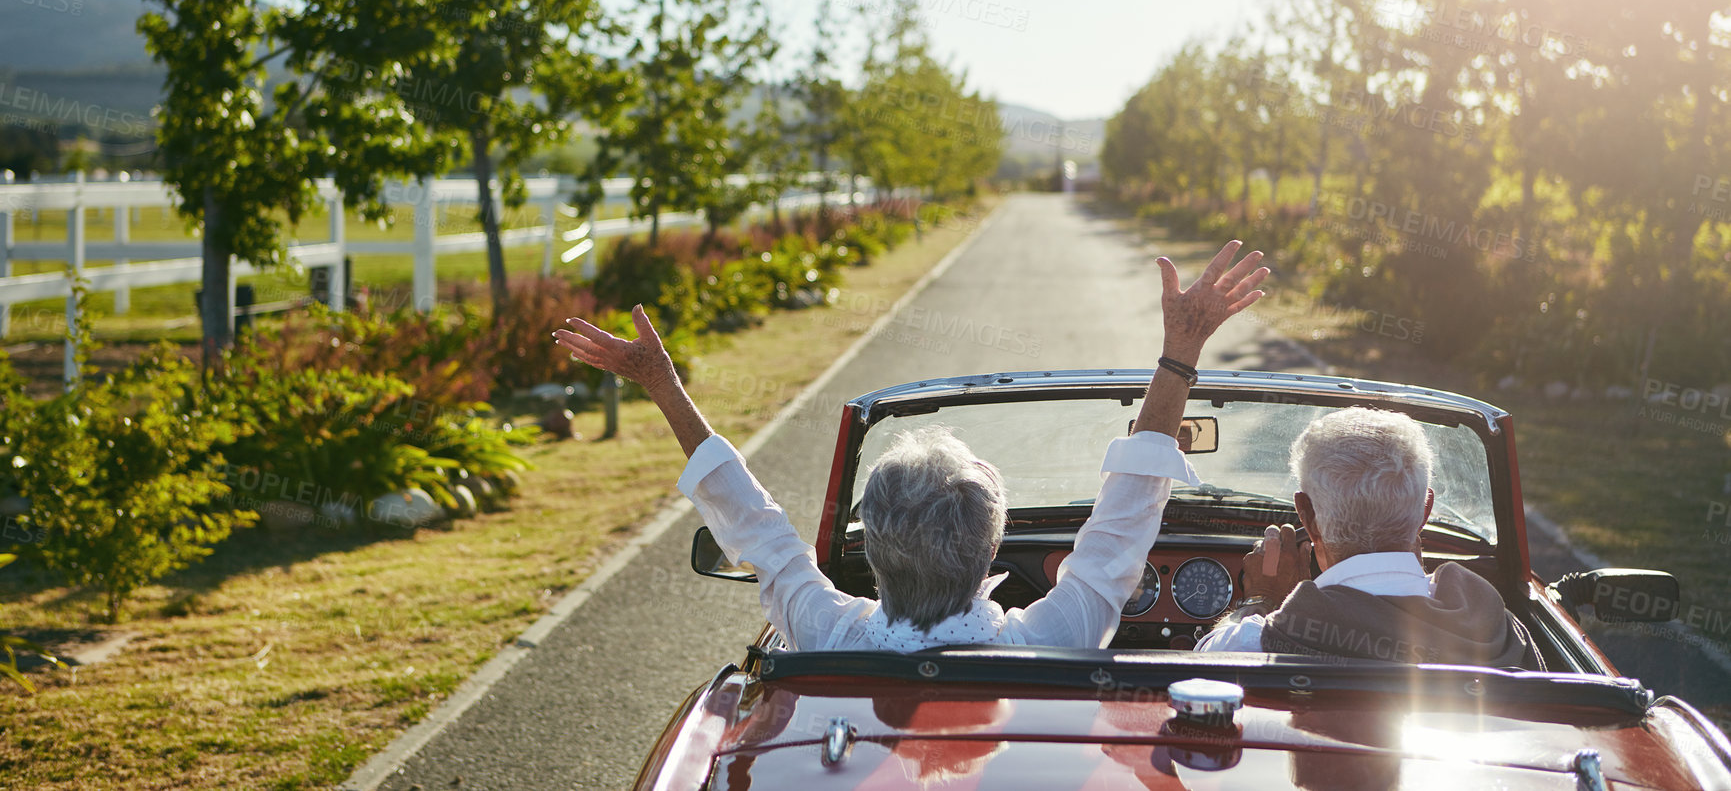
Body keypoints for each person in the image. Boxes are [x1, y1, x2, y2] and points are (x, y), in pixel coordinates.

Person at [553, 240, 1269, 652]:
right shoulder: (1050, 635)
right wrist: (1180, 350)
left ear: (879, 555)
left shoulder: (828, 631)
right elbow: (1128, 513)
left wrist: (661, 382)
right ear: (991, 551)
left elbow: (754, 525)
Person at [1195, 406, 1538, 667]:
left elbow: (1201, 667)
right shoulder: (1501, 631)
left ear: (1307, 516)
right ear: (1424, 511)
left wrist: (1262, 599)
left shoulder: (1262, 642)